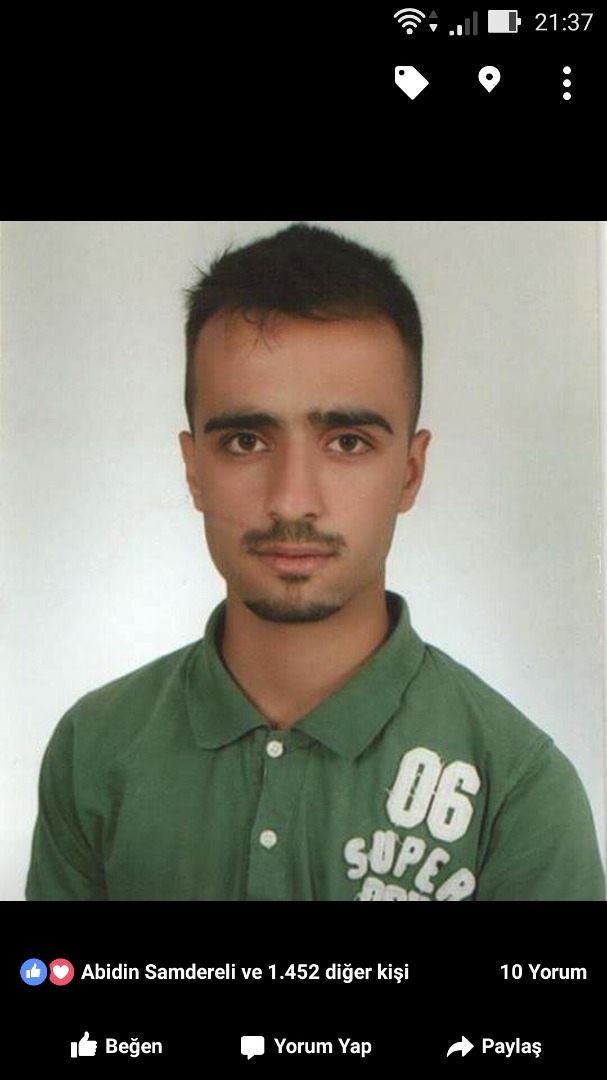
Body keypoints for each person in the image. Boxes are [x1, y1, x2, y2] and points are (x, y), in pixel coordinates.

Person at [26, 223, 605, 902]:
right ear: (194, 469)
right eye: (245, 440)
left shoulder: (517, 789)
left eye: (348, 442)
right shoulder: (94, 748)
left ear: (410, 472)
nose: (291, 499)